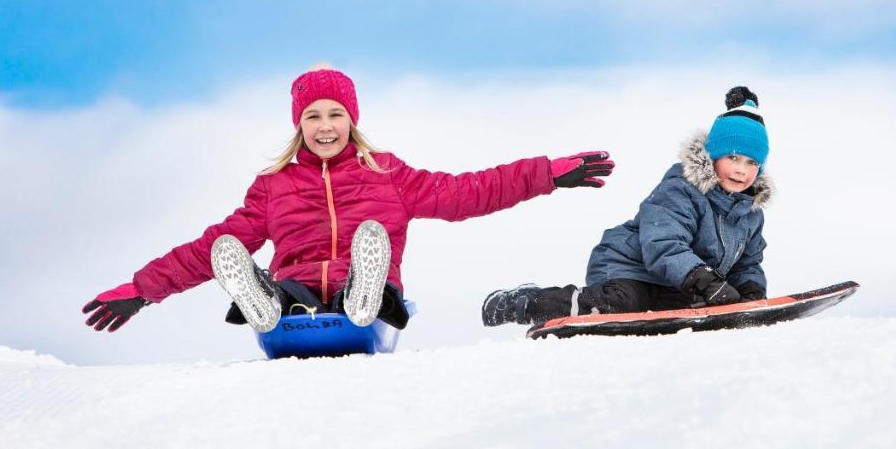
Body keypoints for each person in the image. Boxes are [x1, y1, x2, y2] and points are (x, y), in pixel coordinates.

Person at [82, 65, 615, 335]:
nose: (325, 126)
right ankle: (263, 304)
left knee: (370, 265)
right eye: (312, 116)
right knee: (254, 265)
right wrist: (142, 289)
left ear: (351, 120)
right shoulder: (274, 187)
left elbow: (466, 192)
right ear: (299, 125)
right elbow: (208, 248)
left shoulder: (388, 174)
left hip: (370, 301)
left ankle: (363, 292)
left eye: (335, 114)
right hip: (297, 304)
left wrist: (546, 174)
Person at [482, 86, 772, 328]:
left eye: (752, 163)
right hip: (632, 268)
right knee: (620, 305)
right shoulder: (681, 190)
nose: (741, 170)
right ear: (713, 156)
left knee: (702, 310)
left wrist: (749, 293)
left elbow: (748, 262)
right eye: (733, 158)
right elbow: (663, 244)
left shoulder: (748, 213)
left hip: (678, 286)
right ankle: (527, 303)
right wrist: (705, 281)